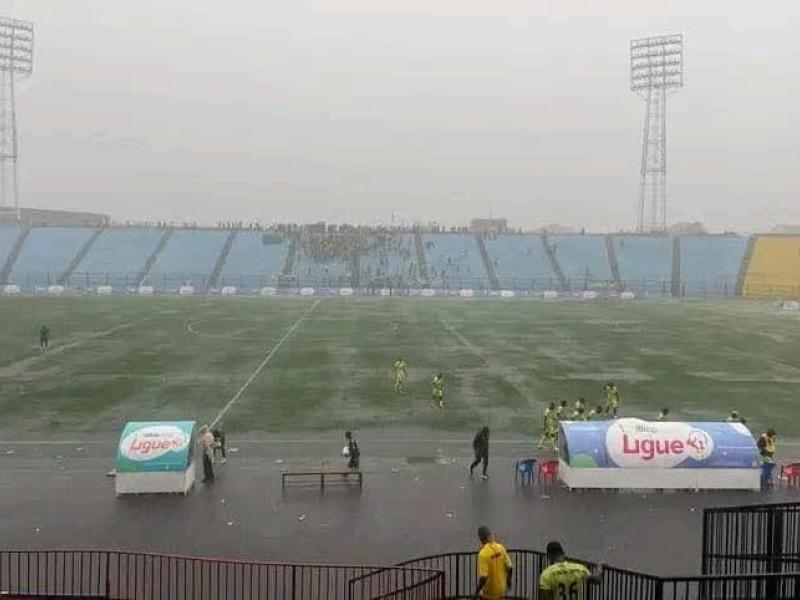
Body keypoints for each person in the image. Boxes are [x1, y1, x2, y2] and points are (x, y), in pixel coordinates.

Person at [474, 526, 512, 600]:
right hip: (501, 589)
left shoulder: (483, 554)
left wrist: (476, 591)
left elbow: (484, 577)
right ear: (490, 535)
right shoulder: (501, 548)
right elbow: (510, 567)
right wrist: (509, 580)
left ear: (481, 538)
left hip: (489, 592)